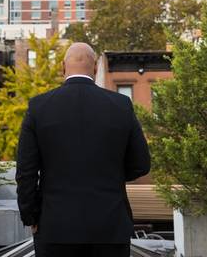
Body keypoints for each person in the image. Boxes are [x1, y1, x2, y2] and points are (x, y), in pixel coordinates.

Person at [15, 42, 151, 257]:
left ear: (62, 67)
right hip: (110, 227)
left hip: (55, 227)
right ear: (96, 68)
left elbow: (25, 172)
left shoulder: (39, 108)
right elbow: (141, 164)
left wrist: (31, 217)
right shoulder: (121, 105)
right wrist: (111, 173)